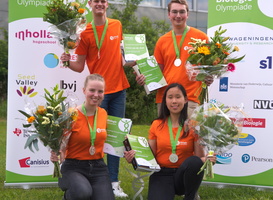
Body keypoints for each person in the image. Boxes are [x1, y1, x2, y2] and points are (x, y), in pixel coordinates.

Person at [60, 0, 132, 197]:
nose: (99, 4)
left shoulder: (117, 24)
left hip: (119, 90)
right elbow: (80, 66)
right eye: (96, 1)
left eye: (103, 1)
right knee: (96, 136)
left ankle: (114, 182)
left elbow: (123, 58)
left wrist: (135, 61)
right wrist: (67, 62)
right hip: (99, 94)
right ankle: (83, 173)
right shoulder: (84, 32)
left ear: (106, 4)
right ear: (90, 4)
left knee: (116, 139)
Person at [124, 83, 217, 200]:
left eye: (178, 97)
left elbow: (200, 159)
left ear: (185, 99)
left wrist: (209, 160)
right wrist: (133, 157)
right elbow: (150, 156)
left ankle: (190, 197)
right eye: (170, 97)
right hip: (161, 173)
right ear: (165, 101)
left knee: (194, 161)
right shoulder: (156, 125)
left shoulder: (193, 126)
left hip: (183, 175)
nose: (174, 101)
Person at [136, 0, 213, 117]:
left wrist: (209, 76)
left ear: (187, 14)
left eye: (182, 12)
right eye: (174, 12)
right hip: (165, 98)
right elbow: (157, 71)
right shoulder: (162, 41)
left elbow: (208, 67)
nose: (178, 16)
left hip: (190, 97)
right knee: (166, 134)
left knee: (189, 134)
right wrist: (144, 78)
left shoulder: (201, 37)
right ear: (169, 15)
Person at [50, 74, 115, 200]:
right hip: (74, 167)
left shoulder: (103, 114)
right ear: (84, 90)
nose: (96, 95)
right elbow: (62, 147)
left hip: (98, 167)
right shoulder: (71, 115)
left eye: (100, 91)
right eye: (92, 90)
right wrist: (58, 155)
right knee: (82, 193)